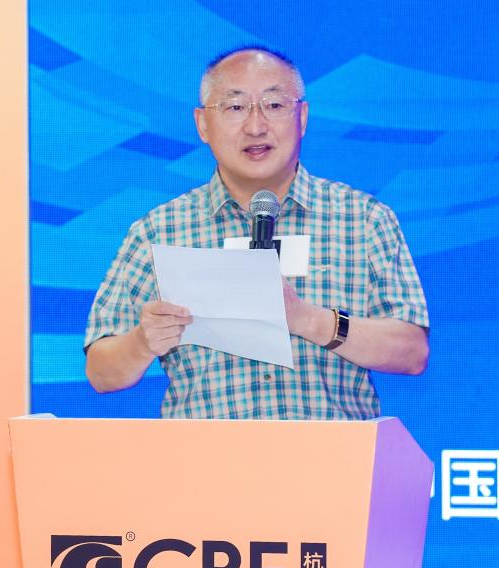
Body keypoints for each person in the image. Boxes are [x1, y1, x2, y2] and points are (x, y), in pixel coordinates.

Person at [84, 46, 429, 420]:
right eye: (235, 107)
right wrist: (142, 341)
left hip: (333, 455)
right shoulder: (159, 231)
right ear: (202, 124)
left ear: (302, 117)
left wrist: (308, 320)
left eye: (274, 105)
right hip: (206, 456)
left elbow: (412, 353)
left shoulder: (362, 220)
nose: (255, 126)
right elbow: (101, 373)